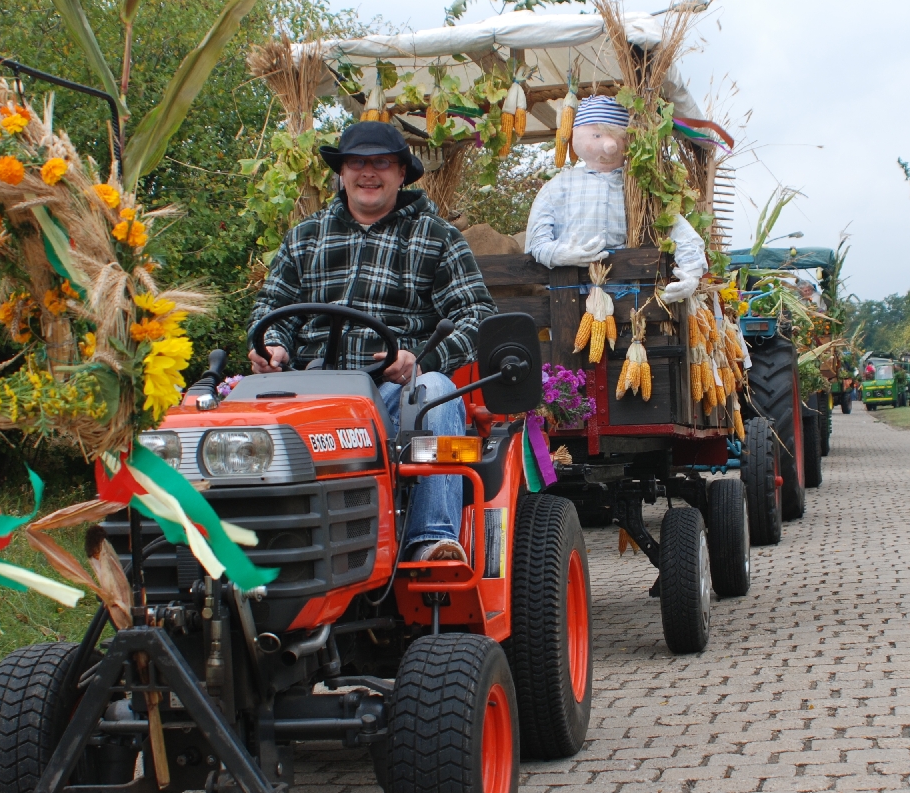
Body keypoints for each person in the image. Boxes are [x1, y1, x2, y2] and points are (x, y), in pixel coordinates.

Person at [248, 121, 497, 562]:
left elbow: (478, 316)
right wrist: (271, 346)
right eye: (357, 162)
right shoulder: (305, 237)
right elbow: (272, 306)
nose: (368, 173)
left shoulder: (436, 238)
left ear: (402, 173)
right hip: (310, 391)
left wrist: (420, 359)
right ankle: (259, 545)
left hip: (391, 392)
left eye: (381, 162)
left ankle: (430, 541)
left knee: (436, 392)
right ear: (341, 173)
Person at [524, 96, 707, 301]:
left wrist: (692, 272)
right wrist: (561, 254)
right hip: (569, 297)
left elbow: (680, 231)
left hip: (631, 297)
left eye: (618, 137)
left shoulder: (640, 189)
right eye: (597, 135)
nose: (609, 145)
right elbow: (536, 243)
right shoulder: (557, 187)